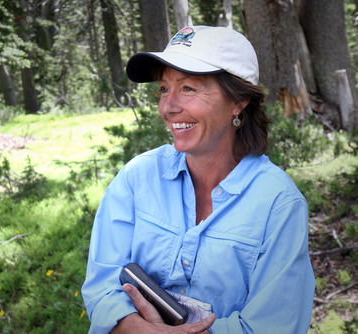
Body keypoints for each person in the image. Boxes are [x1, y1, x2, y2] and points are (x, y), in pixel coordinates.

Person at [81, 25, 315, 334]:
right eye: (164, 89)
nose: (168, 107)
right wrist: (138, 328)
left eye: (188, 88)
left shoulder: (278, 204)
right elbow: (102, 284)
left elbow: (273, 325)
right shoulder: (138, 177)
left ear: (239, 101)